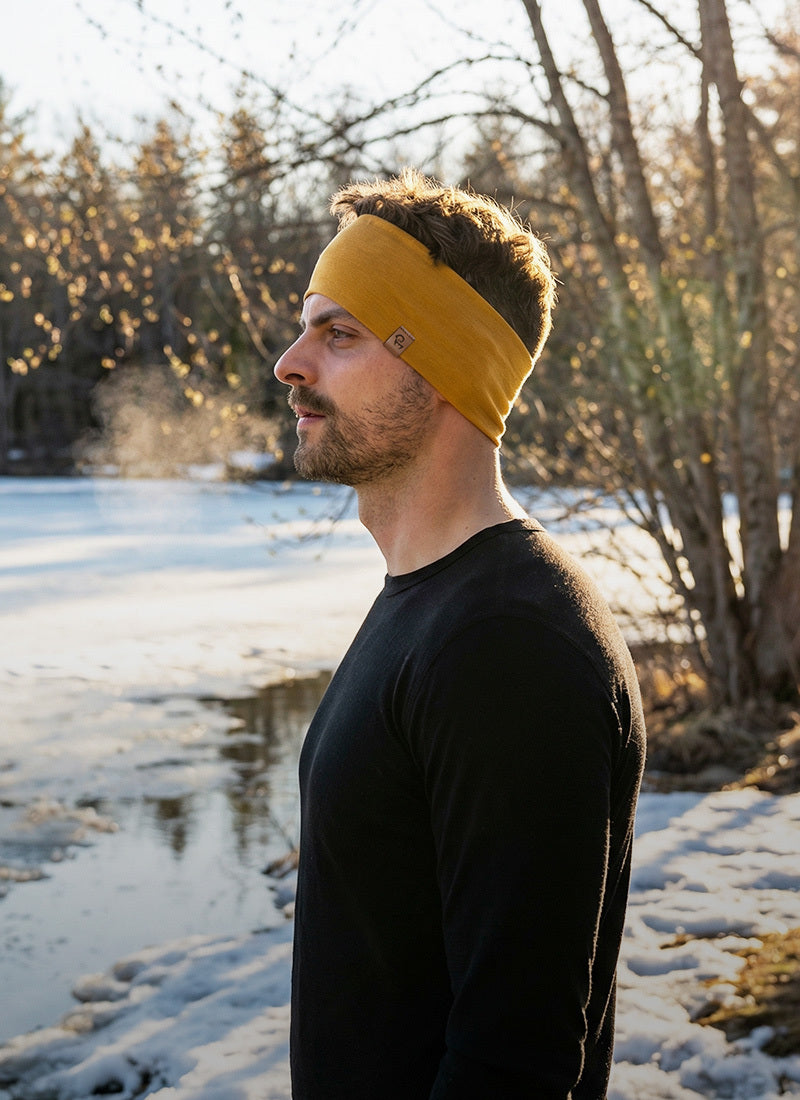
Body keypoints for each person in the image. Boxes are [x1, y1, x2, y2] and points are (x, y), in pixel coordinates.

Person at [273, 168, 646, 1100]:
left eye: (340, 334)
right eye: (308, 325)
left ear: (443, 363)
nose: (291, 362)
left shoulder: (508, 644)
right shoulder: (435, 601)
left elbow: (512, 1066)